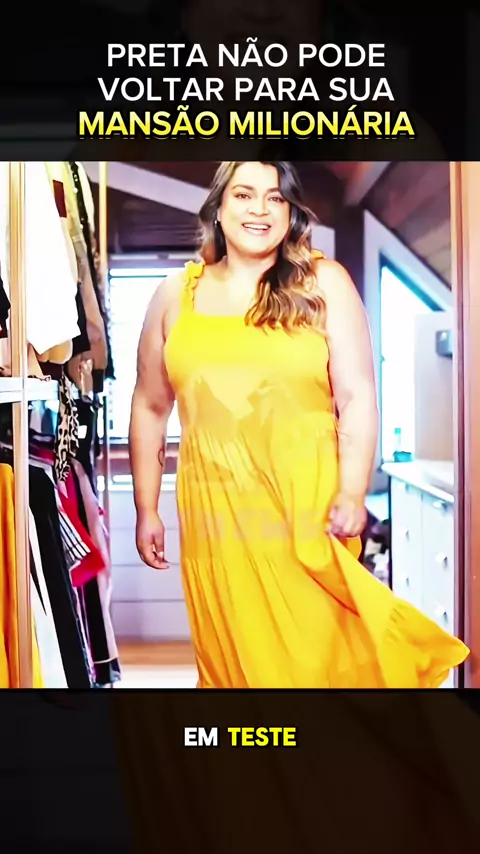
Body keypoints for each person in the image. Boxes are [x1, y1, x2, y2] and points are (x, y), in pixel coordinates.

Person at [129, 160, 468, 688]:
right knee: (232, 663)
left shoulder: (324, 282)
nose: (260, 210)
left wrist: (353, 491)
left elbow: (357, 396)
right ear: (218, 207)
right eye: (244, 195)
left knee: (312, 661)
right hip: (215, 514)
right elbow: (150, 405)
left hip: (305, 508)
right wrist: (146, 508)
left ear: (291, 213)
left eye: (275, 198)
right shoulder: (175, 295)